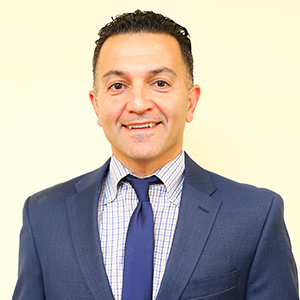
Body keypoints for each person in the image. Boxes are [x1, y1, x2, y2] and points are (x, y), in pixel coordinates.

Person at [13, 10, 298, 300]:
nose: (137, 104)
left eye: (160, 83)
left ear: (190, 101)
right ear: (96, 105)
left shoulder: (256, 216)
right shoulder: (43, 216)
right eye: (117, 86)